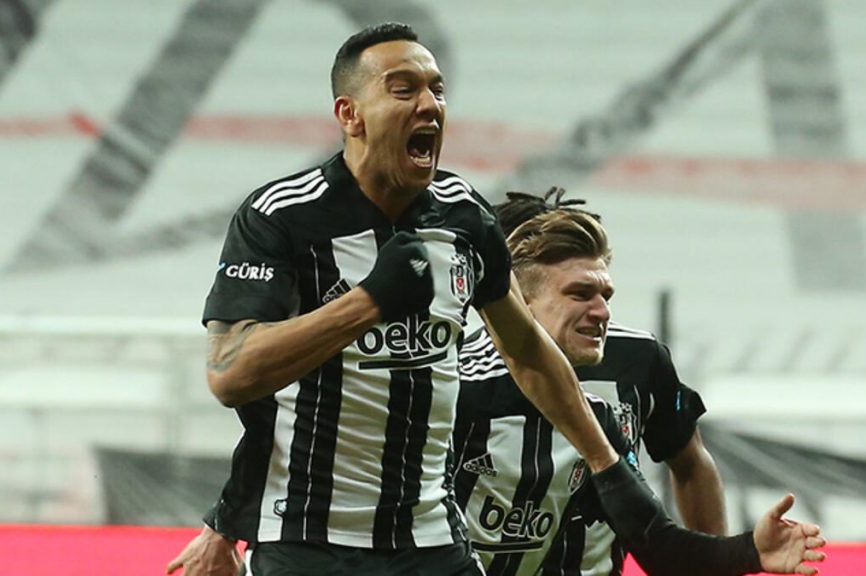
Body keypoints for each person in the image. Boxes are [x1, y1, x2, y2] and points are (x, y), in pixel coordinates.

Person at [168, 22, 651, 576]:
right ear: (350, 115)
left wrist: (607, 465)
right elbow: (230, 373)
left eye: (437, 90)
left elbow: (527, 351)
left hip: (431, 539)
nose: (429, 105)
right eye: (403, 90)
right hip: (307, 539)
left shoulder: (464, 216)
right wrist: (370, 302)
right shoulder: (282, 217)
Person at [453, 199, 823, 575]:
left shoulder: (606, 408)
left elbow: (660, 537)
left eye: (606, 296)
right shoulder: (454, 386)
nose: (602, 312)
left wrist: (744, 551)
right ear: (520, 302)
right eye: (579, 294)